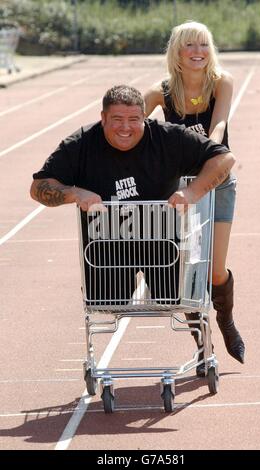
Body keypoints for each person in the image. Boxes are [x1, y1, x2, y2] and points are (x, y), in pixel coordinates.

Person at [30, 84, 235, 361]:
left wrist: (192, 192)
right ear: (103, 118)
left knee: (181, 294)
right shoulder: (81, 143)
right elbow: (38, 187)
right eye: (116, 120)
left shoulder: (166, 138)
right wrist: (74, 193)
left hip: (164, 245)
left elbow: (224, 158)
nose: (125, 128)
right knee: (104, 300)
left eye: (133, 120)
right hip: (107, 249)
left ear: (144, 118)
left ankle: (203, 346)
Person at [144, 21, 245, 376]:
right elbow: (128, 123)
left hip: (217, 181)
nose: (198, 51)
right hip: (180, 190)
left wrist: (202, 145)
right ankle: (203, 344)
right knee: (188, 273)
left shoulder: (221, 82)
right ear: (177, 51)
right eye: (189, 45)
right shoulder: (162, 91)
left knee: (215, 271)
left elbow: (218, 126)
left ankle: (226, 320)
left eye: (203, 44)